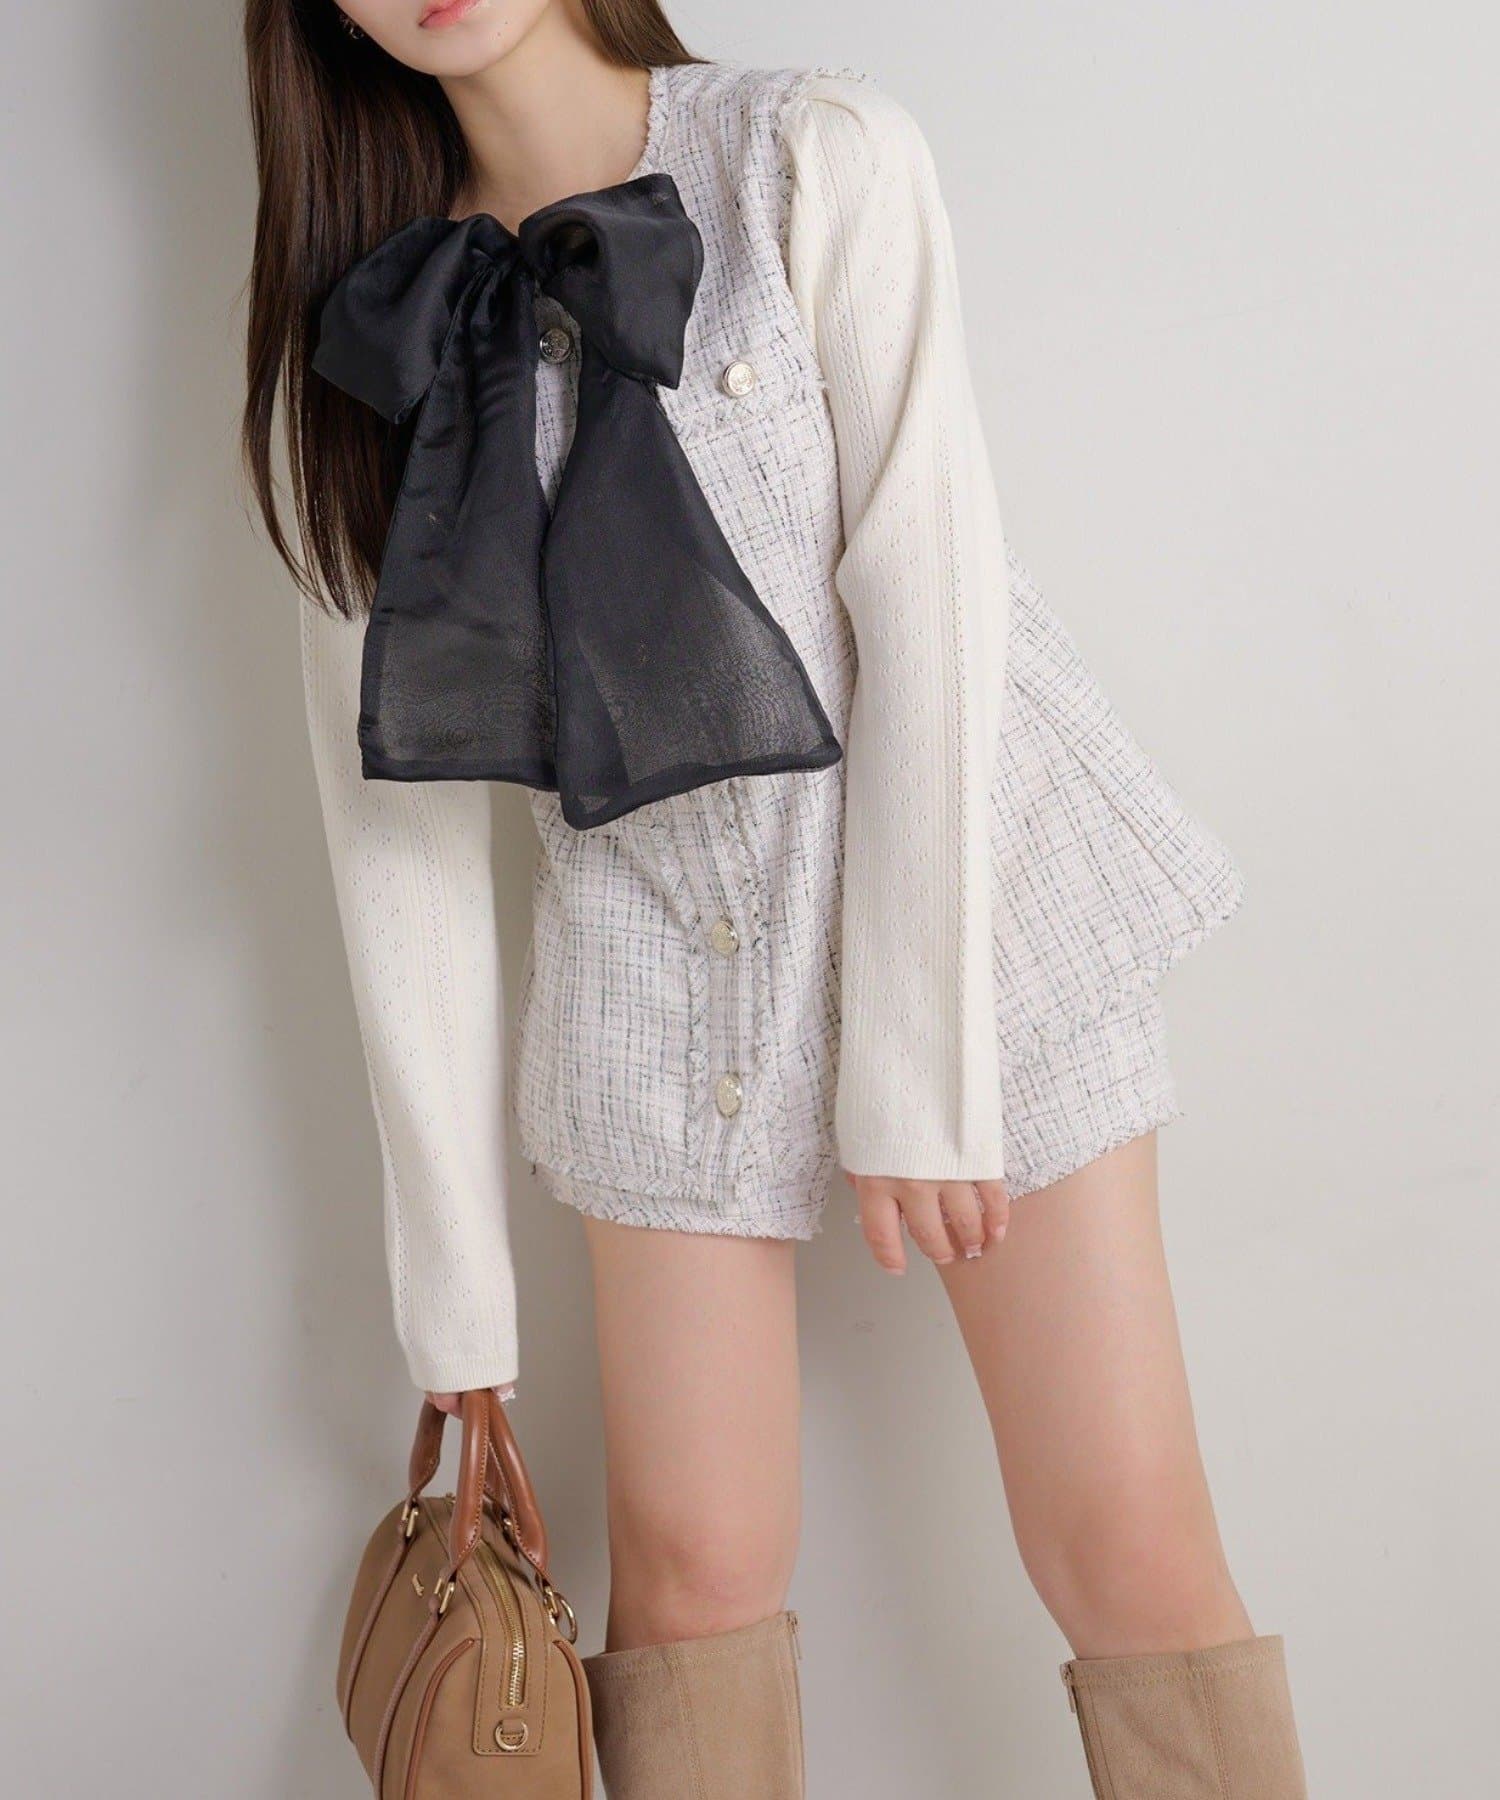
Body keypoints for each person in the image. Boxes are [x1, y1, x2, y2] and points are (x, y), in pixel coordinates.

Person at [242, 2, 1307, 1793]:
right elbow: (392, 833)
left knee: (1126, 1547)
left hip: (974, 904)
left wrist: (916, 1070)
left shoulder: (810, 156)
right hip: (651, 956)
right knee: (689, 1583)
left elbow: (931, 588)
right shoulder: (369, 321)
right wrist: (458, 1308)